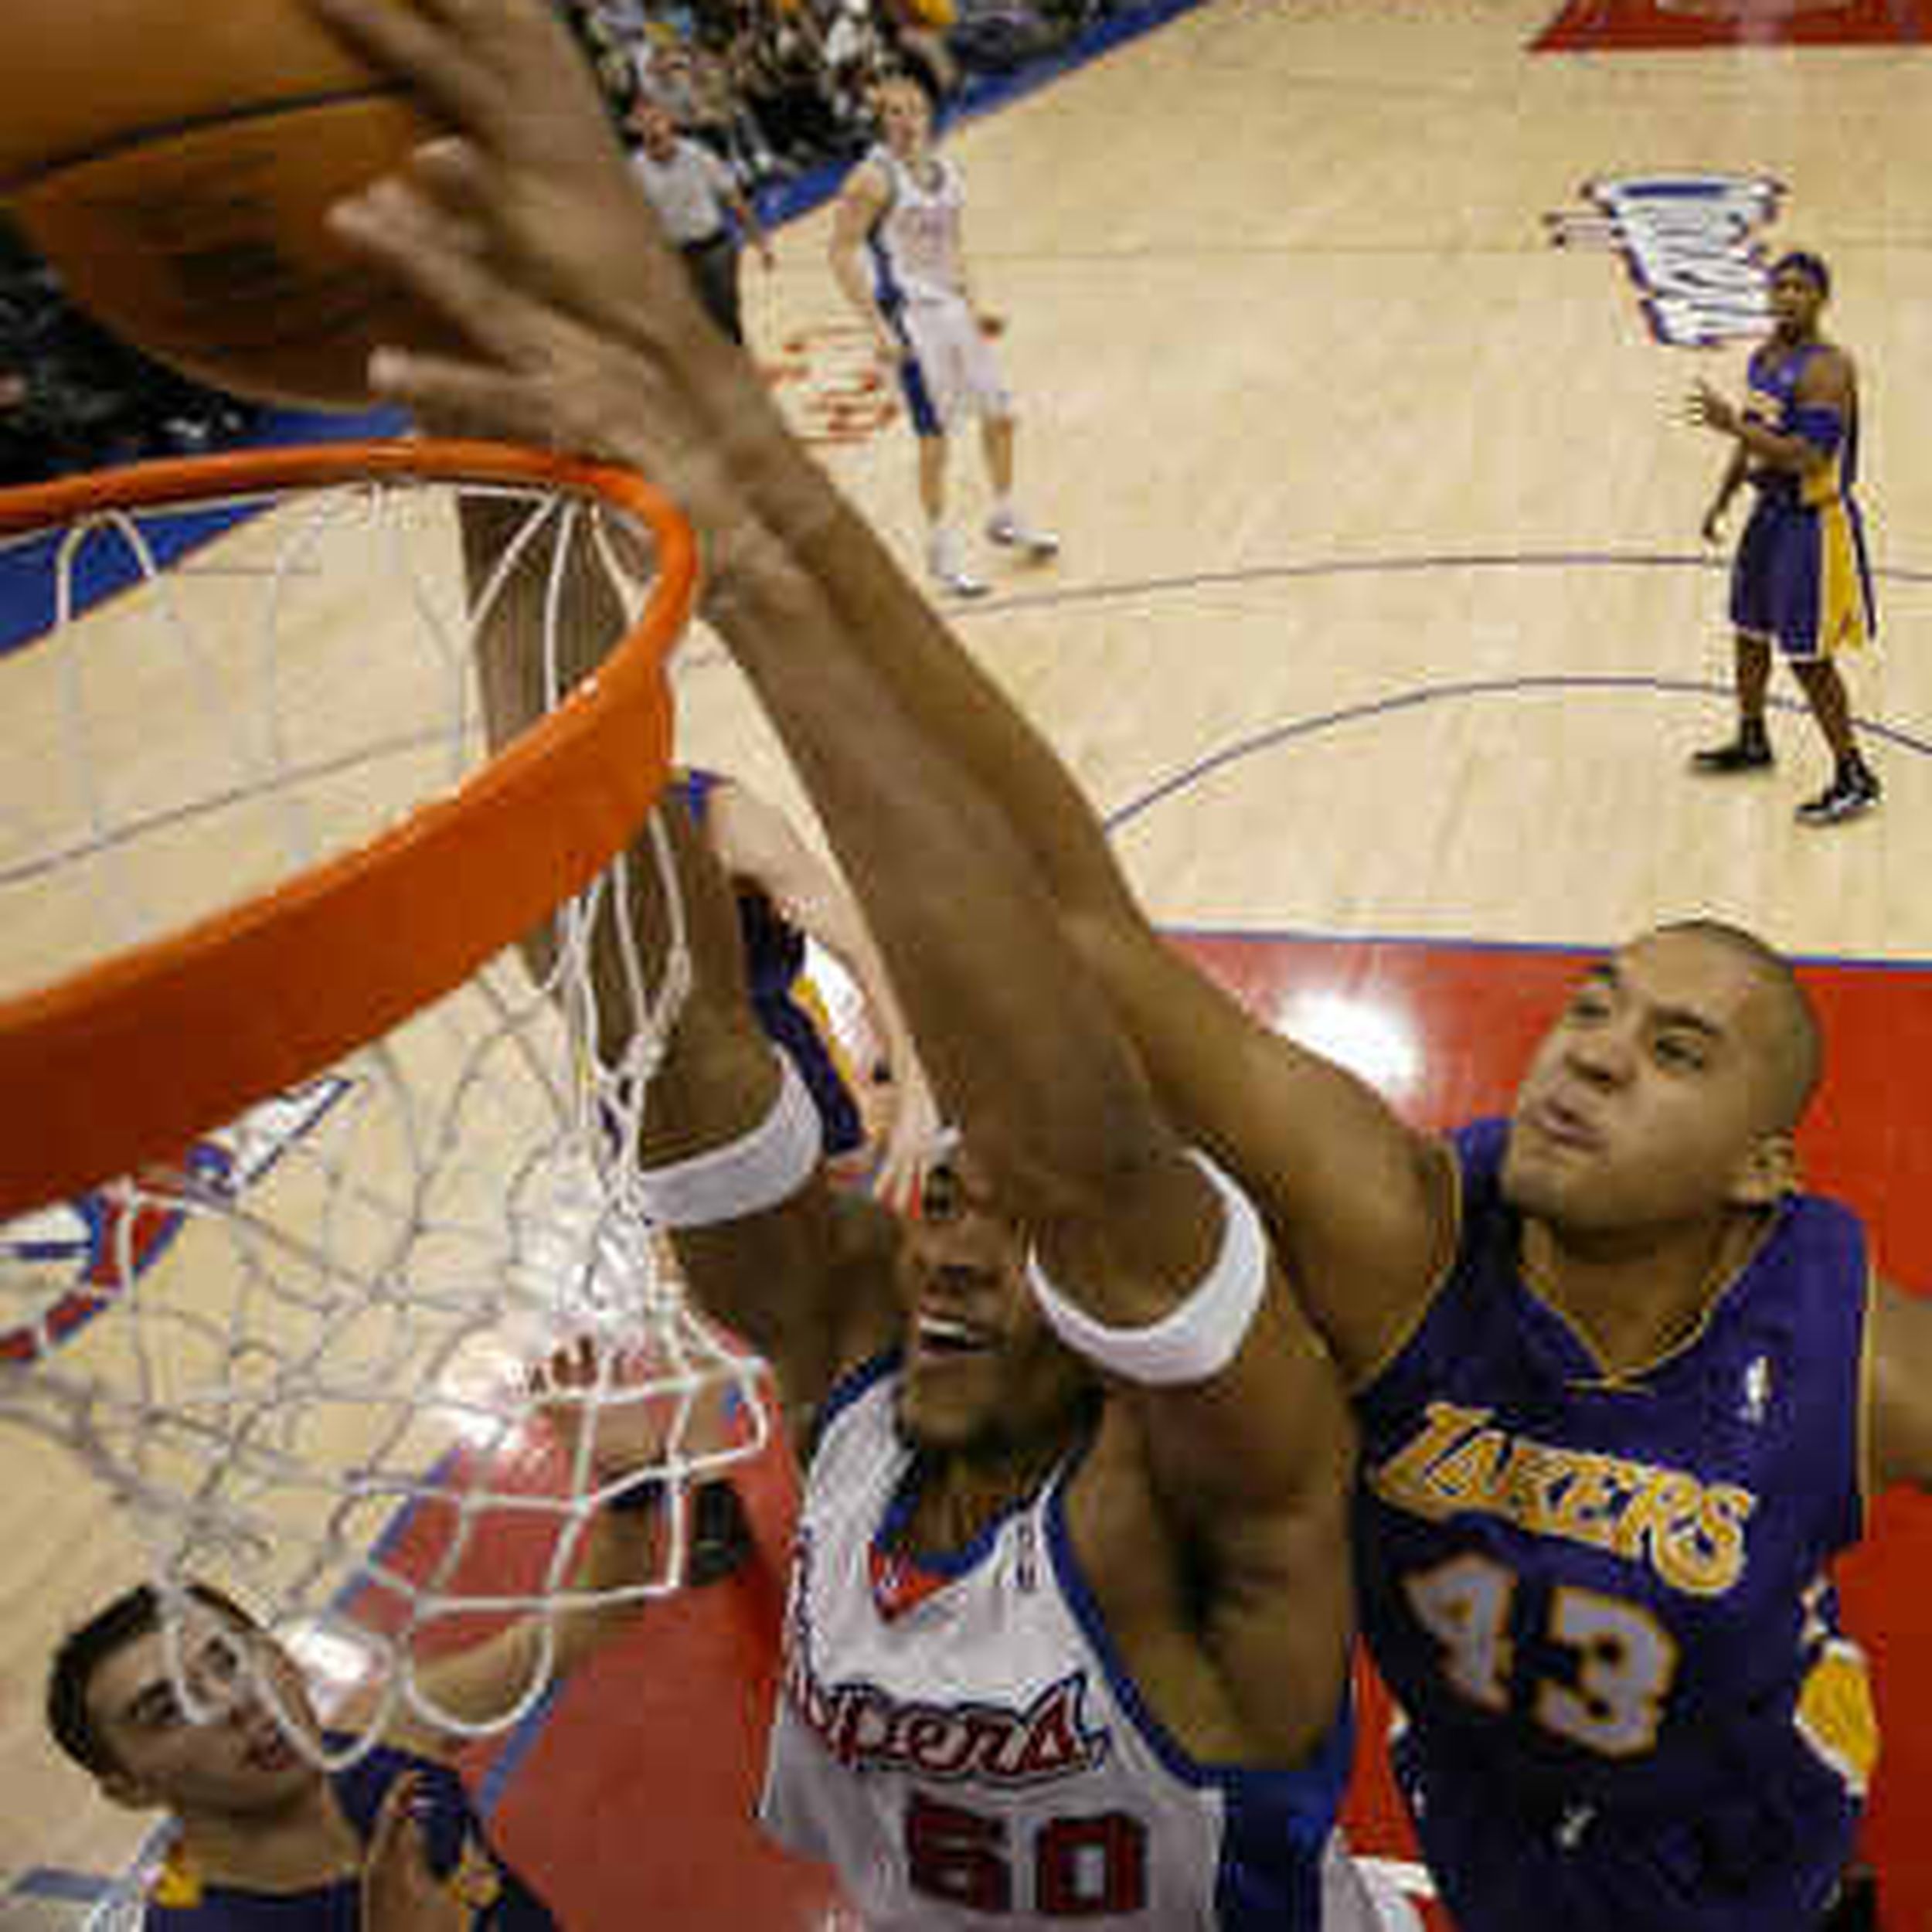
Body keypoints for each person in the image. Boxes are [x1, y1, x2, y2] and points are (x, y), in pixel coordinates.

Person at [304, 7, 1925, 1929]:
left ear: (1766, 1163)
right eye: (1586, 1006)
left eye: (1672, 1049)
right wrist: (569, 495)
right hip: (1496, 1868)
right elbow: (974, 957)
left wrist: (725, 494)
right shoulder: (1399, 1242)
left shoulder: (1798, 1361)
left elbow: (1066, 1087)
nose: (1581, 1056)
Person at [306, 8, 1423, 1927]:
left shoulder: (1227, 1476)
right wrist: (509, 486)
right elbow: (660, 1043)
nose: (948, 1233)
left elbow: (1076, 1150)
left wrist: (743, 548)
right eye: (939, 1199)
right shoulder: (853, 1383)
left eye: (1002, 1216)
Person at [46, 1342, 705, 1930]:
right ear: (128, 1787)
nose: (234, 1702)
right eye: (166, 1711)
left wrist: (630, 1485)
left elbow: (592, 1617)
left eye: (229, 1661)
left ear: (279, 1658)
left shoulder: (383, 1730)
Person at [828, 73, 1058, 598]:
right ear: (881, 121)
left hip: (952, 311)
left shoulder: (946, 171)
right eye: (893, 113)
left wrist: (975, 309)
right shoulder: (872, 178)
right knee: (935, 441)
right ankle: (940, 550)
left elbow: (954, 247)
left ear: (928, 114)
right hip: (911, 322)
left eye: (913, 110)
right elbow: (840, 252)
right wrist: (877, 327)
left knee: (1002, 417)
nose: (905, 122)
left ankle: (1004, 516)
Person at [672, 763, 941, 1196]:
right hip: (662, 1099)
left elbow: (862, 949)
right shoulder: (555, 857)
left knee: (860, 1186)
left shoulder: (725, 818)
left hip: (787, 1067)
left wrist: (916, 1094)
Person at [1685, 250, 1880, 827]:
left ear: (1822, 298)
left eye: (1801, 287)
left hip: (1812, 523)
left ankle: (1854, 774)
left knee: (1808, 657)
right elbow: (1754, 439)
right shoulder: (1765, 358)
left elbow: (1807, 456)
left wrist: (1731, 424)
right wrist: (1724, 493)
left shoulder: (1829, 370)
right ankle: (1752, 738)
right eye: (1780, 287)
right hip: (1767, 515)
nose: (1788, 296)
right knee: (1748, 629)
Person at [626, 98, 772, 345]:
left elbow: (733, 198)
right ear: (634, 127)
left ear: (669, 122)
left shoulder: (697, 154)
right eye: (644, 122)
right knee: (698, 323)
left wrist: (760, 240)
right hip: (676, 257)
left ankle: (738, 354)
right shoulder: (634, 170)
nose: (652, 127)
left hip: (715, 247)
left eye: (656, 120)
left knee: (725, 312)